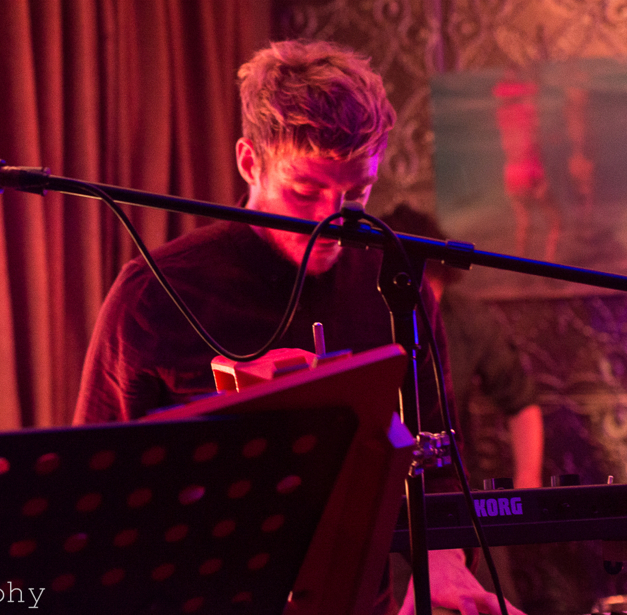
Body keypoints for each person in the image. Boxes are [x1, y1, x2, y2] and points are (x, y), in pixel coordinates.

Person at [74, 40, 525, 615]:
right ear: (249, 162)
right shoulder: (154, 293)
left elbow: (435, 467)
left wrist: (441, 564)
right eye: (305, 192)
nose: (330, 219)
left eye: (355, 194)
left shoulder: (395, 286)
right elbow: (96, 492)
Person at [381, 204, 543, 490]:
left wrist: (528, 480)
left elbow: (520, 401)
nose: (422, 301)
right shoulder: (350, 314)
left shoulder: (467, 317)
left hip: (452, 485)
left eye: (430, 288)